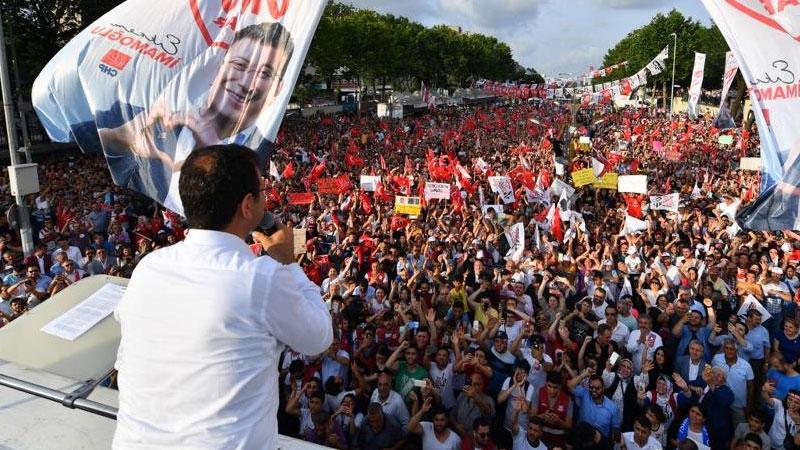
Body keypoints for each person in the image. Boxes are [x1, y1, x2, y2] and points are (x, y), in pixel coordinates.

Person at [112, 145, 333, 449]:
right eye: (261, 191)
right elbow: (319, 337)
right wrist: (290, 264)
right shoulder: (261, 279)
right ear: (247, 206)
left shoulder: (149, 267)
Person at [93, 22, 295, 212]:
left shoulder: (256, 155)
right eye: (240, 65)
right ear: (218, 69)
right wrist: (121, 137)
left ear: (277, 89)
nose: (245, 83)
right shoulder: (138, 115)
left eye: (265, 74)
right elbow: (68, 130)